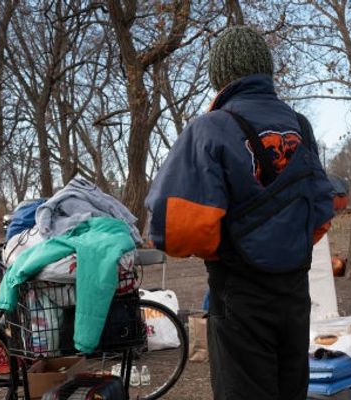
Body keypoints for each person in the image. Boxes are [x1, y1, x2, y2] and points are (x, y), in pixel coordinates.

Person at [145, 26, 334, 400]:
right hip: (295, 295)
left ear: (220, 77)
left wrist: (226, 246)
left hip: (239, 297)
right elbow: (322, 212)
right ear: (266, 70)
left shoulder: (210, 129)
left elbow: (173, 229)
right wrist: (281, 245)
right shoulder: (300, 126)